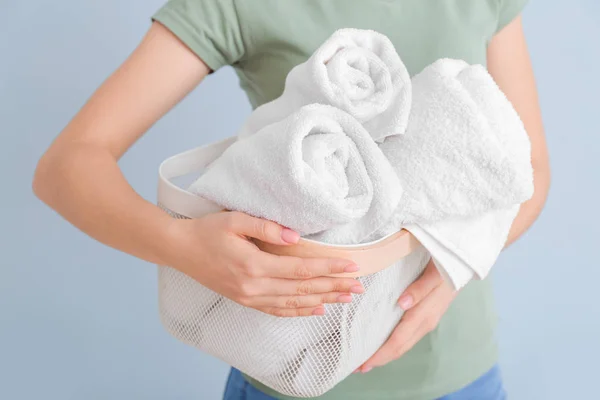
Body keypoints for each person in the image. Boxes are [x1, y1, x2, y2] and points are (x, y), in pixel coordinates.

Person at [32, 0, 550, 399]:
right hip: (283, 367)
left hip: (461, 377)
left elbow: (527, 169)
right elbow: (66, 166)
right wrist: (183, 243)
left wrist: (453, 268)